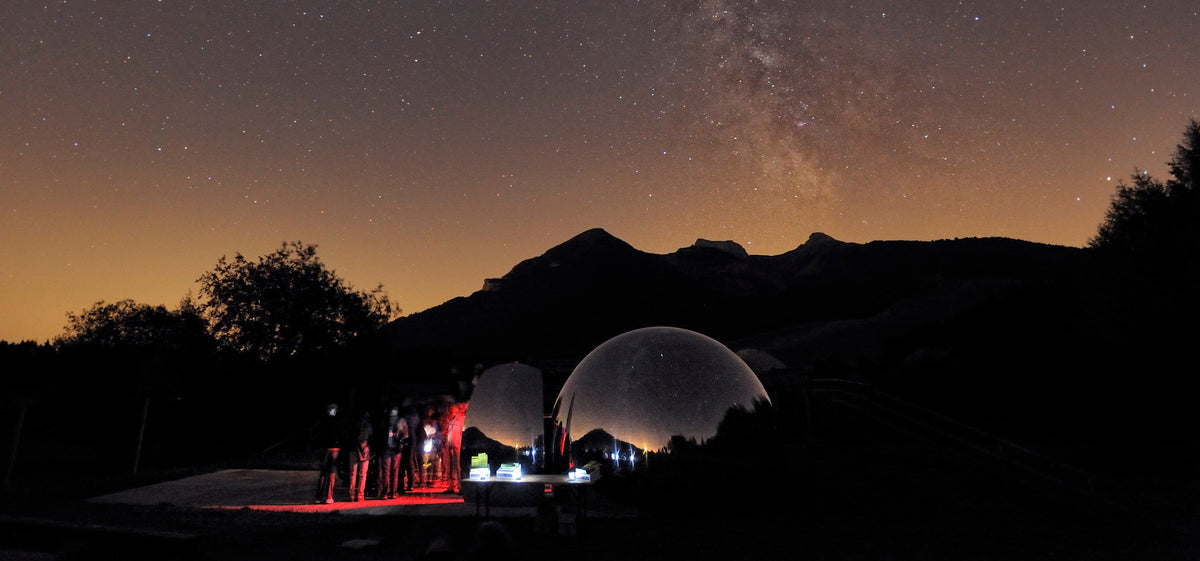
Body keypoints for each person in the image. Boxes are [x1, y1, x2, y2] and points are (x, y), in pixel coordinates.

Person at [375, 406, 405, 499]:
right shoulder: (401, 421)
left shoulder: (384, 421)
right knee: (394, 471)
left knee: (386, 472)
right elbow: (406, 435)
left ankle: (385, 493)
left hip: (387, 449)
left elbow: (379, 434)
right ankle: (393, 492)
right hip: (396, 450)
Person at [314, 403, 341, 504]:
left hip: (325, 448)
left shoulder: (323, 421)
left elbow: (319, 435)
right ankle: (329, 497)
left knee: (323, 472)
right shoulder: (337, 422)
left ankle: (318, 497)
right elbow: (340, 434)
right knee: (332, 472)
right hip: (334, 448)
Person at [349, 410, 373, 502]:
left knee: (353, 474)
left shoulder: (353, 425)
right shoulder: (368, 426)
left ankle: (351, 495)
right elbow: (371, 438)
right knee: (362, 474)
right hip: (364, 450)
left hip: (353, 449)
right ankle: (360, 495)